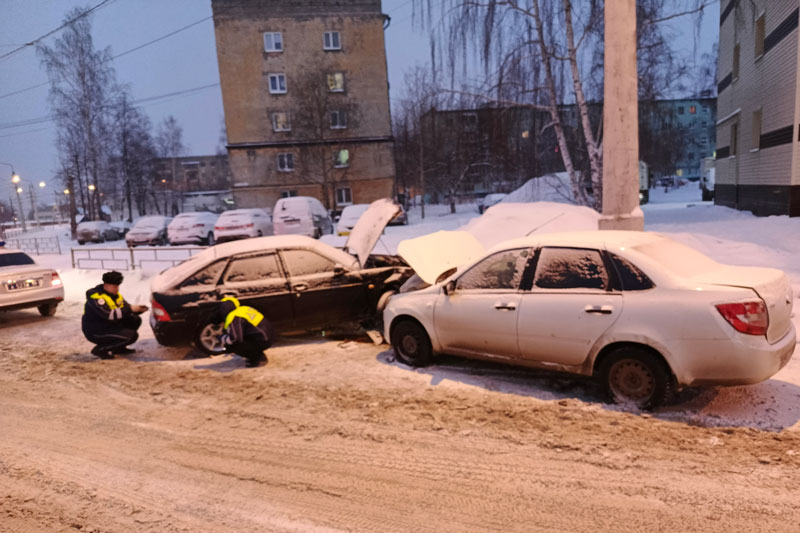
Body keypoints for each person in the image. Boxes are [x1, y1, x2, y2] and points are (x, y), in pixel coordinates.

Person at [82, 271, 148, 359]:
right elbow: (109, 315)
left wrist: (138, 310)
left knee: (135, 320)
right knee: (131, 336)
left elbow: (125, 308)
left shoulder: (115, 295)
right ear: (106, 285)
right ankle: (100, 349)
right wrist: (131, 309)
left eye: (118, 286)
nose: (117, 289)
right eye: (115, 286)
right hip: (96, 331)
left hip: (109, 326)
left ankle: (118, 348)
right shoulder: (97, 297)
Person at [213, 295, 273, 368]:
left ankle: (257, 359)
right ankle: (258, 354)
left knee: (232, 346)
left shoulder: (234, 317)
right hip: (269, 336)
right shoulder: (244, 309)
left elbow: (235, 339)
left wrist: (221, 338)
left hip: (263, 341)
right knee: (243, 340)